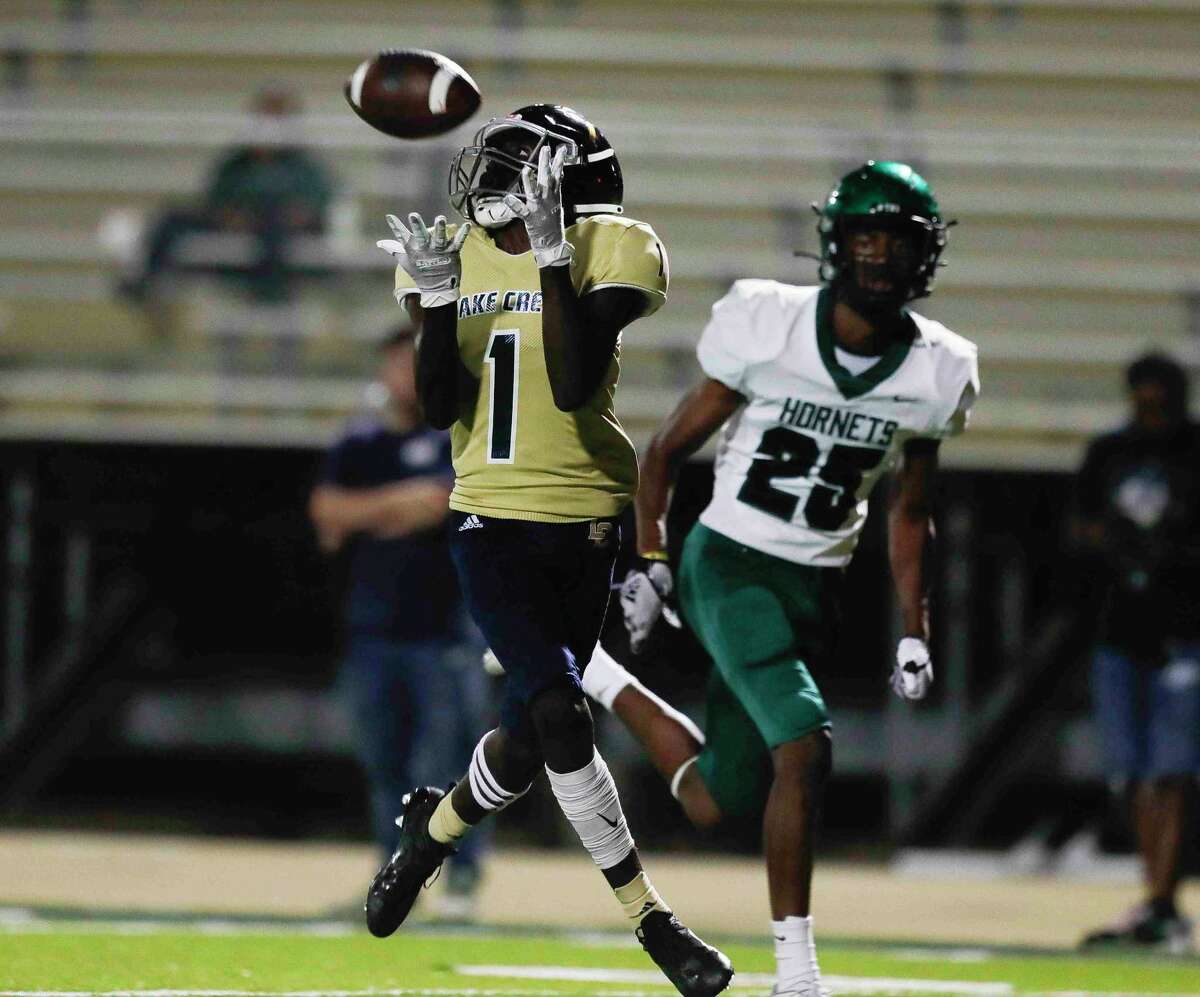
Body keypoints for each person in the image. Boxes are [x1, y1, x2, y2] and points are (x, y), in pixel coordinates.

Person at [578, 161, 978, 996]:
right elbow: (665, 450)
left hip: (813, 587)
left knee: (715, 797)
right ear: (836, 243)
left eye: (896, 241)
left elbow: (912, 509)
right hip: (729, 564)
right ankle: (796, 971)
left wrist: (915, 627)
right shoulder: (771, 323)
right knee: (805, 744)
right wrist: (653, 558)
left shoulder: (938, 368)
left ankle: (593, 669)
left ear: (924, 254)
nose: (879, 257)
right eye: (865, 238)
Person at [363, 105, 733, 997]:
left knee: (529, 739)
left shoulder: (617, 245)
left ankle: (432, 832)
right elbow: (439, 406)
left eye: (516, 168)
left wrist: (551, 255)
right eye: (494, 166)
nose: (492, 186)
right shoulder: (457, 250)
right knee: (564, 715)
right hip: (489, 518)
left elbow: (571, 383)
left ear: (565, 181)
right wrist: (434, 300)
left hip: (588, 519)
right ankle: (653, 920)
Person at [310, 328, 489, 917]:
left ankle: (459, 879)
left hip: (444, 634)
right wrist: (398, 507)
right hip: (374, 633)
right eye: (396, 363)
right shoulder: (358, 443)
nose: (405, 375)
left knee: (447, 765)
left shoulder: (462, 436)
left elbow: (442, 504)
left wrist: (368, 512)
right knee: (385, 764)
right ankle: (393, 879)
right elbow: (327, 515)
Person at [1074, 353, 1199, 954]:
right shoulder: (1109, 452)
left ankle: (1162, 901)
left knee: (1170, 772)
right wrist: (1117, 543)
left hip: (1186, 631)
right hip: (1121, 630)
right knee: (1132, 776)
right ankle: (1155, 898)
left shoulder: (1194, 452)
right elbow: (1079, 527)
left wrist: (1172, 549)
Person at [120, 85, 335, 314]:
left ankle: (270, 295)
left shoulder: (303, 166)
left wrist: (292, 216)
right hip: (231, 235)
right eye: (262, 119)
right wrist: (228, 216)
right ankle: (148, 280)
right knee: (172, 218)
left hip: (277, 242)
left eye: (276, 119)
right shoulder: (236, 163)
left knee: (273, 221)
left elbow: (315, 205)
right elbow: (214, 199)